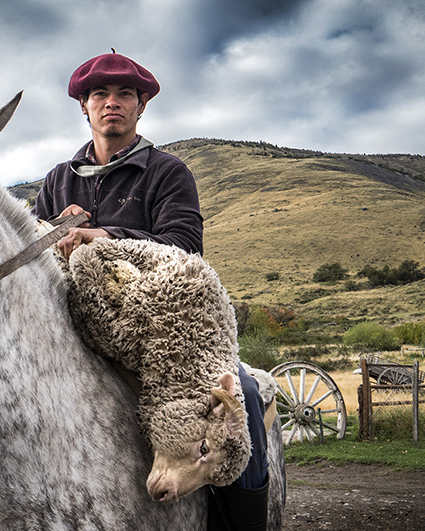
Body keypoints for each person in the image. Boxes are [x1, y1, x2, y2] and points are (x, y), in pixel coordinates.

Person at [32, 51, 269, 531]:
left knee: (240, 396)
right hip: (77, 326)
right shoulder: (57, 179)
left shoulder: (168, 172)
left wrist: (104, 235)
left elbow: (185, 247)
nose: (111, 103)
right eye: (99, 94)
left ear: (142, 107)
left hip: (166, 339)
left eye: (124, 95)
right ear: (84, 106)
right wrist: (48, 239)